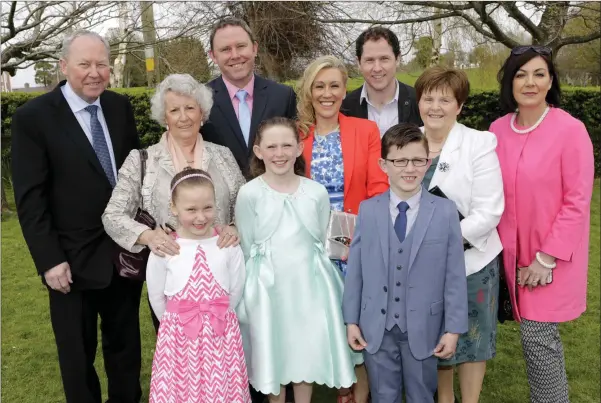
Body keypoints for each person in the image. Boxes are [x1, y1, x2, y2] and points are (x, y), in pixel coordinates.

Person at [11, 30, 143, 402]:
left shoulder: (119, 107)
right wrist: (50, 260)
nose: (94, 72)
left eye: (102, 64)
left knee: (125, 351)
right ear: (64, 65)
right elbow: (31, 199)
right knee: (77, 358)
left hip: (122, 254)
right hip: (69, 263)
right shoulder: (33, 118)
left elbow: (133, 177)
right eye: (84, 64)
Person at [490, 45, 594, 403]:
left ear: (551, 81)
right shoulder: (497, 130)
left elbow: (577, 200)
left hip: (548, 258)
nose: (530, 82)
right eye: (521, 74)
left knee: (538, 339)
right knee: (531, 340)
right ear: (510, 82)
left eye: (539, 74)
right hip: (507, 255)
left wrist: (546, 258)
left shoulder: (571, 130)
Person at [102, 73, 244, 333]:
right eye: (174, 110)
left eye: (190, 108)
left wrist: (235, 225)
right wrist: (147, 236)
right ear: (163, 118)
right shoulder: (142, 160)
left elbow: (245, 204)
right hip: (171, 278)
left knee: (224, 354)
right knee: (180, 357)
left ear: (202, 112)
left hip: (223, 272)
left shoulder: (223, 156)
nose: (183, 117)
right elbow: (112, 215)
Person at [234, 117, 360, 403]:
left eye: (287, 145)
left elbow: (321, 236)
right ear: (258, 151)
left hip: (309, 284)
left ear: (299, 148)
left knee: (305, 352)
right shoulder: (249, 193)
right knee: (273, 354)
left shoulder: (314, 192)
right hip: (269, 287)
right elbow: (247, 243)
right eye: (272, 146)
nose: (279, 153)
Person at [342, 123, 468, 403]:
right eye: (399, 161)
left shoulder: (446, 212)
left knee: (421, 394)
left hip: (425, 326)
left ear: (428, 162)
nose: (409, 169)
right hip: (377, 326)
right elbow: (357, 271)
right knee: (383, 395)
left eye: (417, 161)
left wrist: (453, 328)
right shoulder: (368, 210)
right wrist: (351, 320)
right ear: (383, 165)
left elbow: (455, 275)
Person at [297, 55, 389, 403]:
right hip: (308, 244)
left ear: (344, 88)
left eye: (334, 85)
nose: (327, 93)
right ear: (308, 90)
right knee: (322, 323)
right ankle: (333, 387)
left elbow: (379, 187)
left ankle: (356, 395)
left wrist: (354, 236)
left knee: (359, 323)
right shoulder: (295, 135)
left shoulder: (364, 131)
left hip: (355, 240)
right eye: (319, 86)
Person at [413, 66, 504, 403]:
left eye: (445, 99)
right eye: (428, 98)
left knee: (472, 340)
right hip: (422, 266)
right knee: (437, 334)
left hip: (472, 264)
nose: (435, 106)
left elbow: (489, 211)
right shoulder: (408, 139)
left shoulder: (478, 143)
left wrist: (440, 243)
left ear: (459, 105)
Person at [147, 168, 250, 403]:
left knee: (221, 389)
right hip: (179, 338)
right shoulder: (165, 249)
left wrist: (218, 316)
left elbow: (236, 288)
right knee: (181, 391)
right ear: (173, 208)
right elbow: (156, 296)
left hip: (221, 335)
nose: (200, 217)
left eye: (207, 208)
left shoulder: (227, 245)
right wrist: (175, 324)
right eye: (191, 209)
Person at [202, 17, 297, 176]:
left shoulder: (283, 96)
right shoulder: (200, 100)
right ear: (213, 55)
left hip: (274, 195)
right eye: (225, 49)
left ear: (254, 48)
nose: (235, 55)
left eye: (241, 46)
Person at [341, 26, 422, 136]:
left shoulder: (419, 103)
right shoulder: (345, 108)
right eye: (369, 60)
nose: (377, 68)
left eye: (384, 59)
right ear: (359, 63)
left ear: (397, 59)